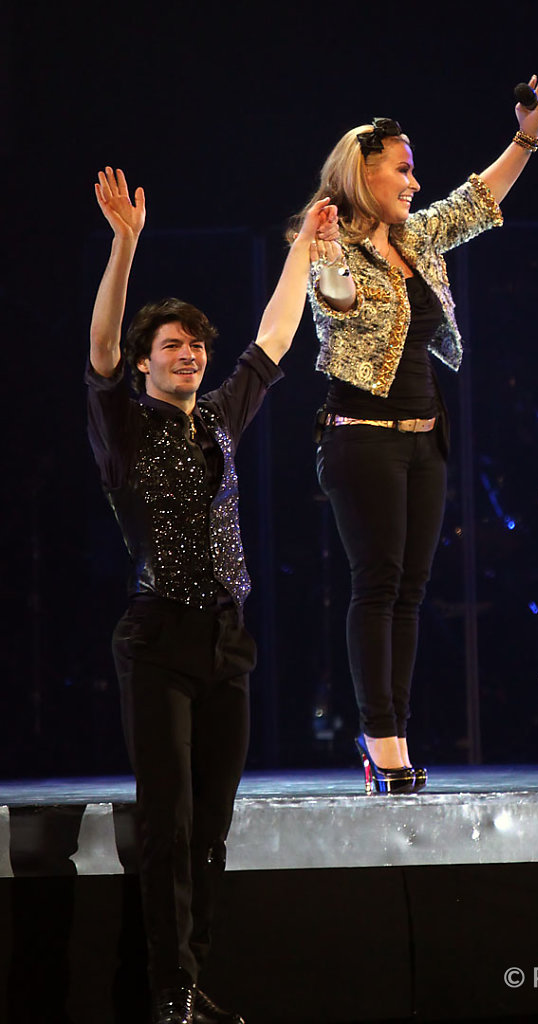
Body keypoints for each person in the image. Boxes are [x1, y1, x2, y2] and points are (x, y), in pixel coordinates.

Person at [86, 166, 334, 1024]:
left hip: (229, 641)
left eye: (194, 345)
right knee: (168, 826)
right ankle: (166, 994)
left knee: (213, 828)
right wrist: (124, 248)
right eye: (173, 348)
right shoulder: (122, 426)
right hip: (158, 638)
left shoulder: (220, 419)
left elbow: (272, 336)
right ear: (149, 366)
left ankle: (193, 984)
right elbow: (102, 350)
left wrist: (303, 247)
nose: (188, 355)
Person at [293, 76, 538, 794]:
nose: (414, 180)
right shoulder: (327, 241)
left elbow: (480, 198)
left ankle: (393, 735)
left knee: (409, 590)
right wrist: (332, 256)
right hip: (360, 437)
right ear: (361, 174)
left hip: (422, 437)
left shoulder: (417, 235)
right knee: (376, 585)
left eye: (412, 168)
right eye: (401, 168)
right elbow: (336, 300)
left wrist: (525, 132)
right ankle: (380, 742)